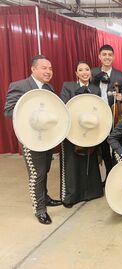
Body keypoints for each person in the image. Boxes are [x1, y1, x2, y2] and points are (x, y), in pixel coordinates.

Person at [4, 55, 61, 225]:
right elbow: (9, 111)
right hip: (30, 139)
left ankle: (45, 197)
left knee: (46, 169)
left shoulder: (49, 88)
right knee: (37, 174)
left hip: (47, 137)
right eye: (44, 68)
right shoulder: (19, 86)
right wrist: (34, 115)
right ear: (33, 69)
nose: (48, 71)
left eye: (50, 68)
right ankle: (40, 209)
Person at [59, 61, 103, 208]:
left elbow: (98, 109)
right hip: (72, 131)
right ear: (76, 73)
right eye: (81, 70)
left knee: (89, 161)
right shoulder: (68, 86)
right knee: (72, 163)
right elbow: (64, 107)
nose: (84, 72)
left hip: (89, 130)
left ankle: (91, 192)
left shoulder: (96, 89)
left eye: (87, 69)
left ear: (90, 72)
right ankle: (71, 196)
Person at [91, 44, 122, 178]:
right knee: (99, 148)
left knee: (113, 148)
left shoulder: (121, 76)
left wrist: (121, 97)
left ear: (114, 57)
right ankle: (100, 178)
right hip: (95, 116)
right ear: (99, 56)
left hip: (114, 116)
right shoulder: (92, 73)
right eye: (104, 55)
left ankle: (113, 176)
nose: (107, 57)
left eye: (110, 55)